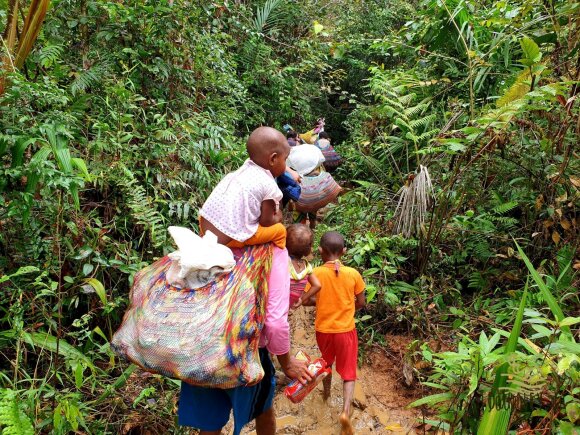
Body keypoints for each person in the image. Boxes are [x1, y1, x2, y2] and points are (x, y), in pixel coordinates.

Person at [199, 126, 290, 249]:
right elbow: (266, 221)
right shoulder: (269, 185)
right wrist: (278, 215)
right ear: (273, 159)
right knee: (280, 231)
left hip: (205, 226)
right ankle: (278, 260)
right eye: (285, 159)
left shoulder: (243, 170)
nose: (286, 164)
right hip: (230, 238)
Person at [311, 231, 366, 435]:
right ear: (344, 251)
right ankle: (345, 412)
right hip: (346, 331)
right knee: (349, 372)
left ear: (320, 251)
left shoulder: (315, 272)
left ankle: (325, 394)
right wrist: (348, 308)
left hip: (323, 331)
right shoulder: (353, 273)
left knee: (326, 364)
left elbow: (308, 299)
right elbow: (361, 302)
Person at [285, 224, 321, 308]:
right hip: (290, 304)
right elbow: (317, 285)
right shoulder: (307, 266)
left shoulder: (284, 261)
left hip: (277, 302)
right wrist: (302, 299)